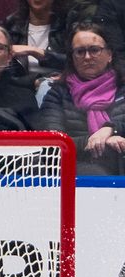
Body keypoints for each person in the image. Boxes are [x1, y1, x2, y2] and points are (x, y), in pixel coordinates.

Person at [39, 21, 125, 175]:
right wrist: (98, 140)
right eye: (80, 51)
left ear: (110, 55)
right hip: (80, 169)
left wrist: (111, 128)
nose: (87, 57)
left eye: (94, 50)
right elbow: (53, 146)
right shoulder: (56, 95)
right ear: (72, 57)